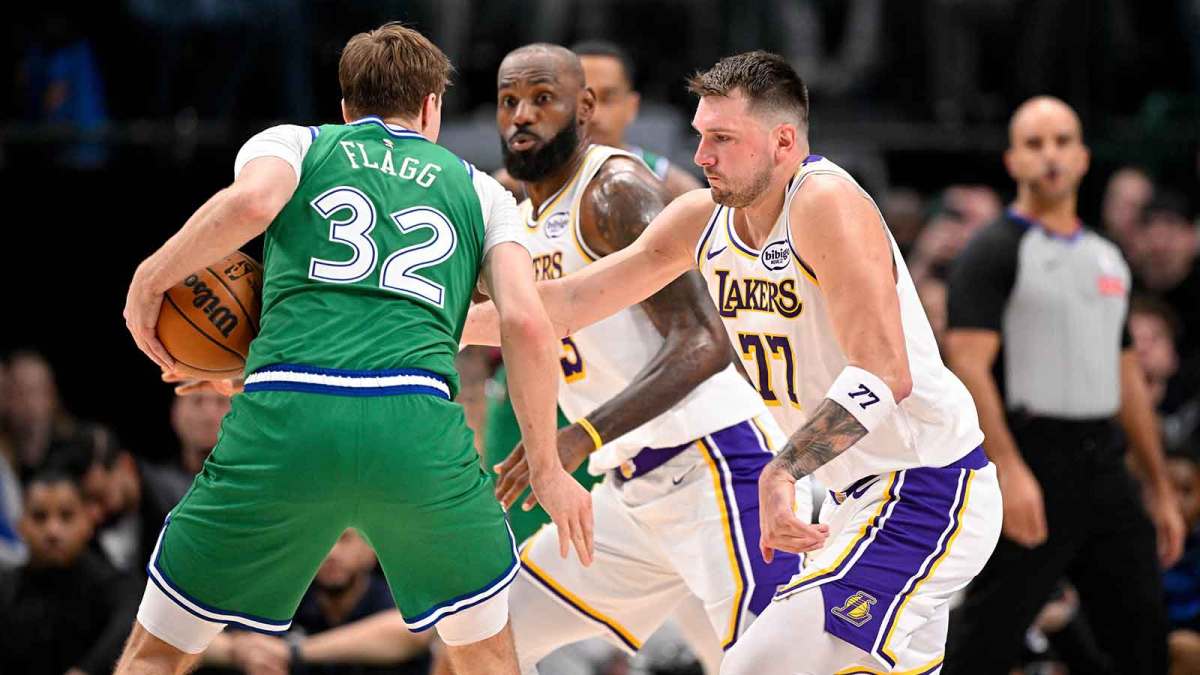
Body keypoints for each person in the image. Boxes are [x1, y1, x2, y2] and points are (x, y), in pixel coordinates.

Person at [464, 50, 1002, 674]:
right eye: (700, 136)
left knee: (753, 667)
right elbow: (568, 303)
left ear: (782, 141)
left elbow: (884, 372)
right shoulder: (702, 217)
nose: (701, 157)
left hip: (926, 486)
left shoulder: (824, 201)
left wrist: (782, 471)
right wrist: (435, 321)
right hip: (848, 498)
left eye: (722, 138)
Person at [116, 23, 592, 675]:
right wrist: (544, 466)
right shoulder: (480, 190)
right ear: (432, 108)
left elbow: (254, 202)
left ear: (345, 106)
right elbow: (530, 326)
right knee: (484, 655)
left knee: (157, 653)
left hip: (288, 416)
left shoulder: (296, 143)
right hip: (416, 426)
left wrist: (151, 277)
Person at [487, 43, 805, 674]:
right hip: (629, 494)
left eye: (541, 100)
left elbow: (705, 342)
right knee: (485, 637)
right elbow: (476, 322)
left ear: (583, 109)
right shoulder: (514, 216)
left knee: (780, 664)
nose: (522, 115)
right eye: (509, 102)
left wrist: (581, 433)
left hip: (716, 466)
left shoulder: (616, 190)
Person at [942, 96, 1185, 675]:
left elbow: (1125, 373)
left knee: (1143, 634)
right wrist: (1008, 467)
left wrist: (1157, 485)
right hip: (1030, 456)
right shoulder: (993, 250)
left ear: (1081, 157)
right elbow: (968, 364)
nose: (1049, 155)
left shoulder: (1107, 257)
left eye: (1061, 142)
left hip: (1104, 459)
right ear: (1011, 161)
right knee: (988, 636)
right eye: (1034, 143)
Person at [200, 529, 431, 675]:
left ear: (370, 550)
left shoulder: (393, 597)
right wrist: (242, 651)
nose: (330, 552)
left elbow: (414, 632)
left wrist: (293, 652)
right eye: (319, 540)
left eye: (344, 539)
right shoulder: (288, 599)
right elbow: (197, 638)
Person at [0, 469, 140, 674]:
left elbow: (131, 623)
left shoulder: (117, 587)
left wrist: (86, 670)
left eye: (66, 516)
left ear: (87, 521)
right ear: (20, 525)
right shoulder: (5, 590)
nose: (53, 531)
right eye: (39, 517)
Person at [572, 40, 702, 199]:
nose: (594, 114)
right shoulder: (536, 178)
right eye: (582, 100)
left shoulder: (677, 188)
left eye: (608, 99)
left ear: (632, 106)